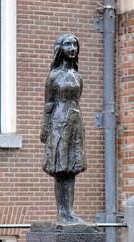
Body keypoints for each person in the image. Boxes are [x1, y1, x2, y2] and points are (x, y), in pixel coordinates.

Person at [40, 34, 87, 223]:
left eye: (75, 44)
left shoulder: (77, 77)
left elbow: (77, 102)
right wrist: (45, 129)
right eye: (68, 44)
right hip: (58, 123)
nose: (72, 48)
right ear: (60, 48)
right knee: (60, 170)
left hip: (75, 123)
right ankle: (62, 212)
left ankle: (70, 212)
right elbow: (48, 104)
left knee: (72, 170)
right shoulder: (53, 77)